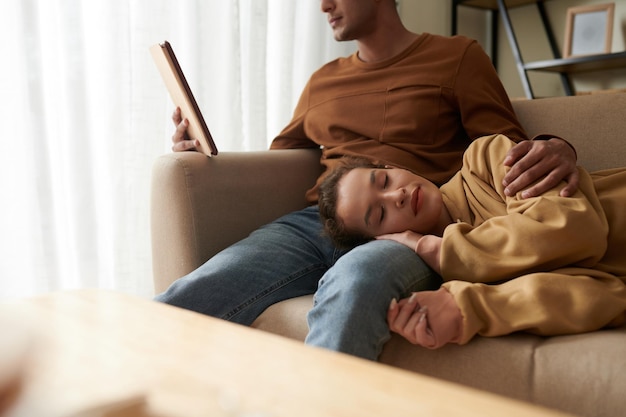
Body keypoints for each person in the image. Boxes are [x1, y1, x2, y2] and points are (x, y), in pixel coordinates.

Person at [155, 0, 579, 360]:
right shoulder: (323, 81)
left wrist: (560, 146)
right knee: (199, 289)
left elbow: (511, 148)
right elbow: (270, 164)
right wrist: (200, 157)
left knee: (354, 283)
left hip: (408, 225)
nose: (324, 5)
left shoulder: (457, 57)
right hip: (314, 224)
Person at [317, 134, 626, 349]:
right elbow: (601, 296)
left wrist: (442, 249)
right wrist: (465, 307)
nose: (395, 196)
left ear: (394, 168)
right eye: (380, 213)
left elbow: (572, 228)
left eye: (384, 181)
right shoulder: (462, 275)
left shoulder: (484, 157)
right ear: (383, 239)